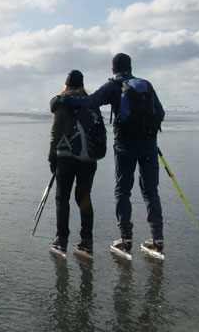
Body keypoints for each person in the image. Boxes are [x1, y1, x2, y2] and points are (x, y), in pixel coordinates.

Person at [51, 53, 165, 256]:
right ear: (130, 67)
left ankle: (126, 239)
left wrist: (63, 100)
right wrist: (149, 132)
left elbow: (91, 101)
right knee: (150, 191)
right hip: (148, 145)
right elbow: (161, 113)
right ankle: (157, 238)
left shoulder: (113, 86)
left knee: (123, 191)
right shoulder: (146, 85)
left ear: (113, 70)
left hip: (125, 146)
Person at [48, 70, 97, 256]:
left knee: (62, 197)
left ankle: (61, 240)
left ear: (66, 84)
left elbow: (55, 131)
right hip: (88, 158)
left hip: (66, 157)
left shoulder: (63, 101)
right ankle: (87, 240)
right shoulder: (90, 101)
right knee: (84, 197)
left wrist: (52, 156)